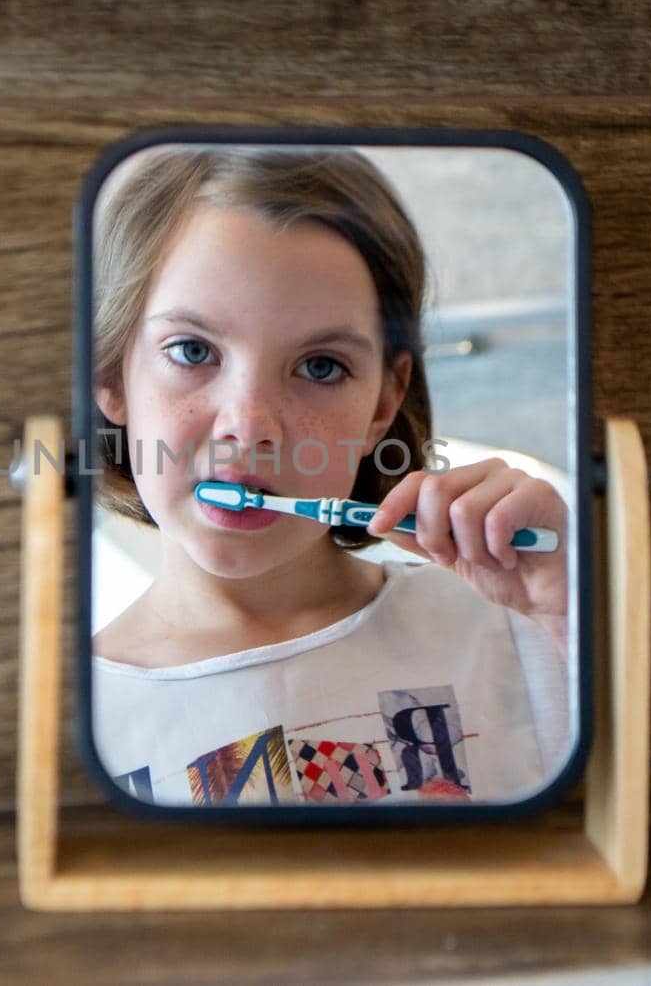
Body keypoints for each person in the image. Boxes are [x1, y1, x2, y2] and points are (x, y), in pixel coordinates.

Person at [89, 145, 569, 807]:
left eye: (319, 366)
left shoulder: (519, 631)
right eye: (193, 351)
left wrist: (568, 618)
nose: (249, 425)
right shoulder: (71, 714)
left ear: (382, 402)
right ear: (112, 374)